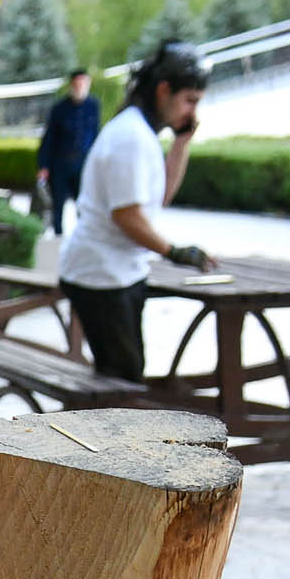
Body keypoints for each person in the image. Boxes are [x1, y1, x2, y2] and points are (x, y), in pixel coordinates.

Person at [60, 40, 214, 383]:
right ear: (163, 90)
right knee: (122, 383)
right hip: (101, 274)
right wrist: (174, 251)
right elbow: (127, 216)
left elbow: (159, 198)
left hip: (111, 272)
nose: (193, 113)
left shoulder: (139, 131)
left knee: (123, 377)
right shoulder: (130, 137)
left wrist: (182, 142)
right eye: (189, 101)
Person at [35, 67, 99, 236]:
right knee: (58, 203)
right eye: (76, 83)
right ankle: (58, 235)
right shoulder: (59, 109)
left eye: (83, 83)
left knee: (84, 202)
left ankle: (83, 236)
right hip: (61, 162)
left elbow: (95, 135)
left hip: (83, 162)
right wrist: (44, 166)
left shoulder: (93, 106)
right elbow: (49, 138)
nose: (79, 86)